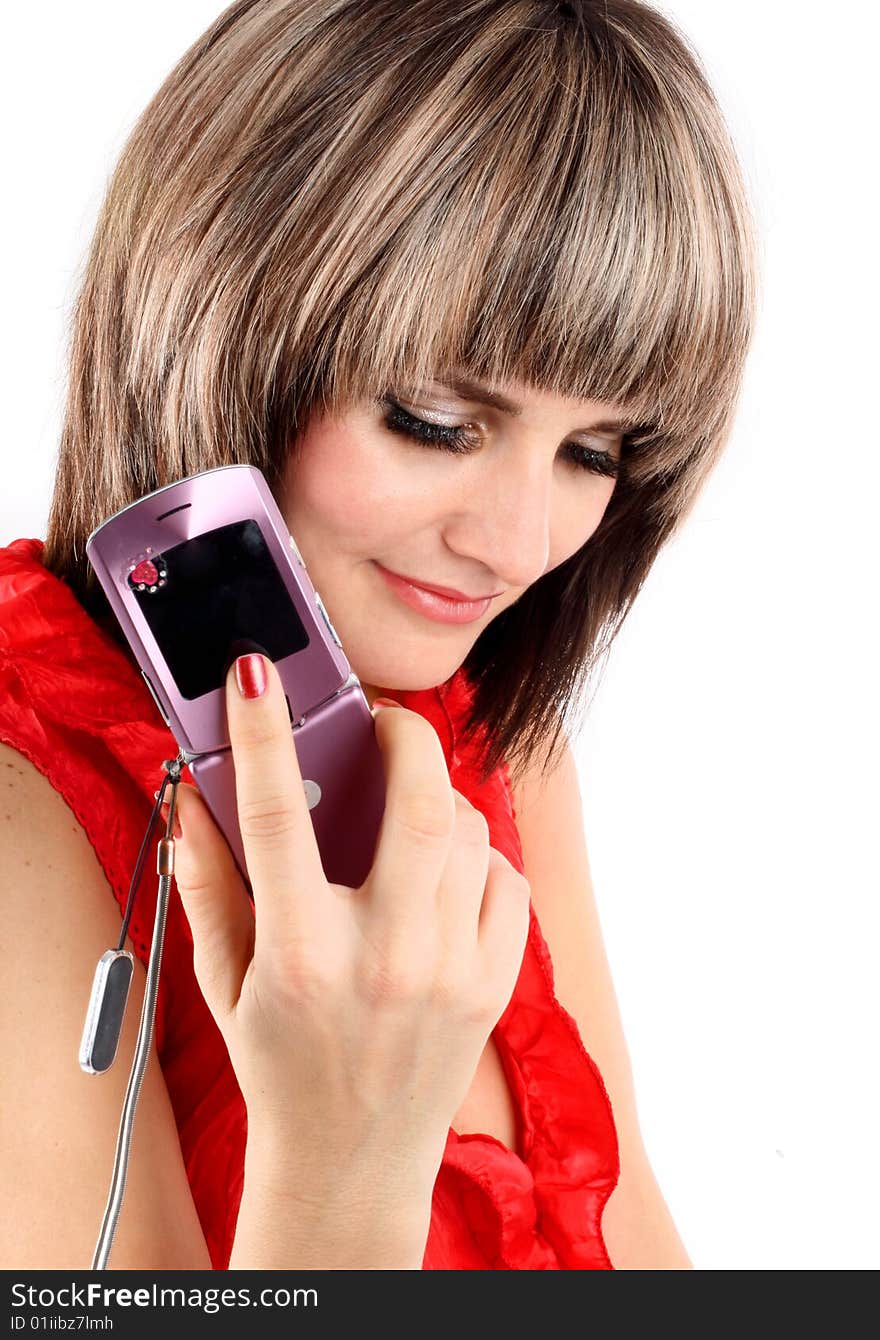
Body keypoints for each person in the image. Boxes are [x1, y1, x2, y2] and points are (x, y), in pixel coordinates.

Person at [0, 0, 758, 1270]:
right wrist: (346, 1162)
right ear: (214, 324)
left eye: (592, 450)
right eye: (434, 419)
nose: (518, 543)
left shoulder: (495, 752)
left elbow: (635, 1249)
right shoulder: (27, 821)